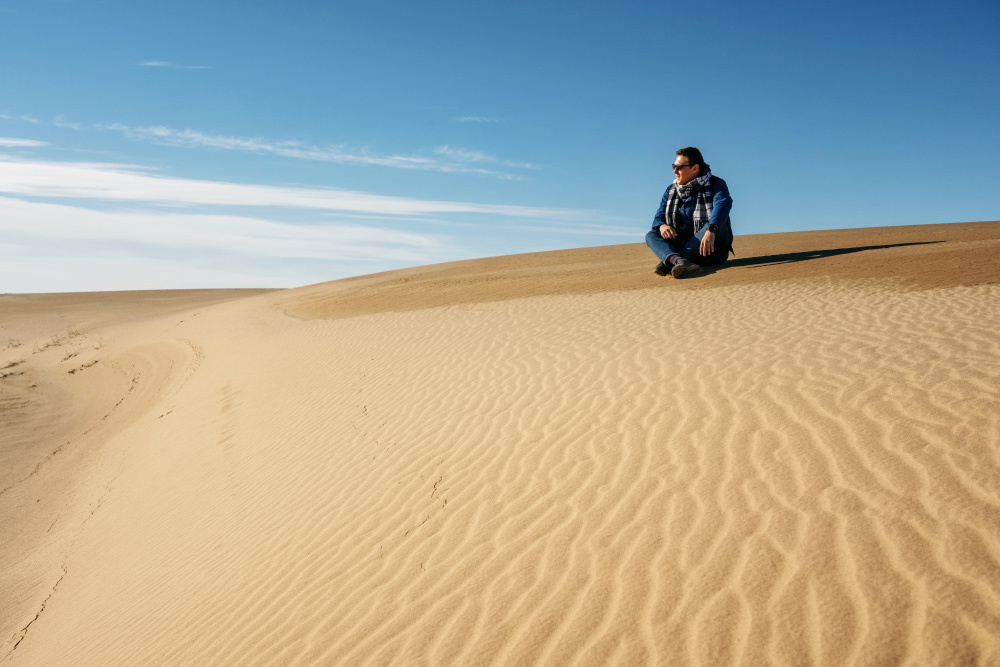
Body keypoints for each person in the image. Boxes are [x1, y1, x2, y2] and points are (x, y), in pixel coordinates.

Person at [645, 147, 733, 278]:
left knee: (718, 224)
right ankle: (679, 261)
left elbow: (723, 204)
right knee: (651, 235)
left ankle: (671, 261)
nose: (675, 171)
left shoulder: (715, 183)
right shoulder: (671, 190)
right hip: (683, 245)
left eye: (679, 167)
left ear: (695, 168)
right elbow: (659, 216)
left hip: (710, 251)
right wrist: (662, 226)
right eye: (673, 166)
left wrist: (711, 229)